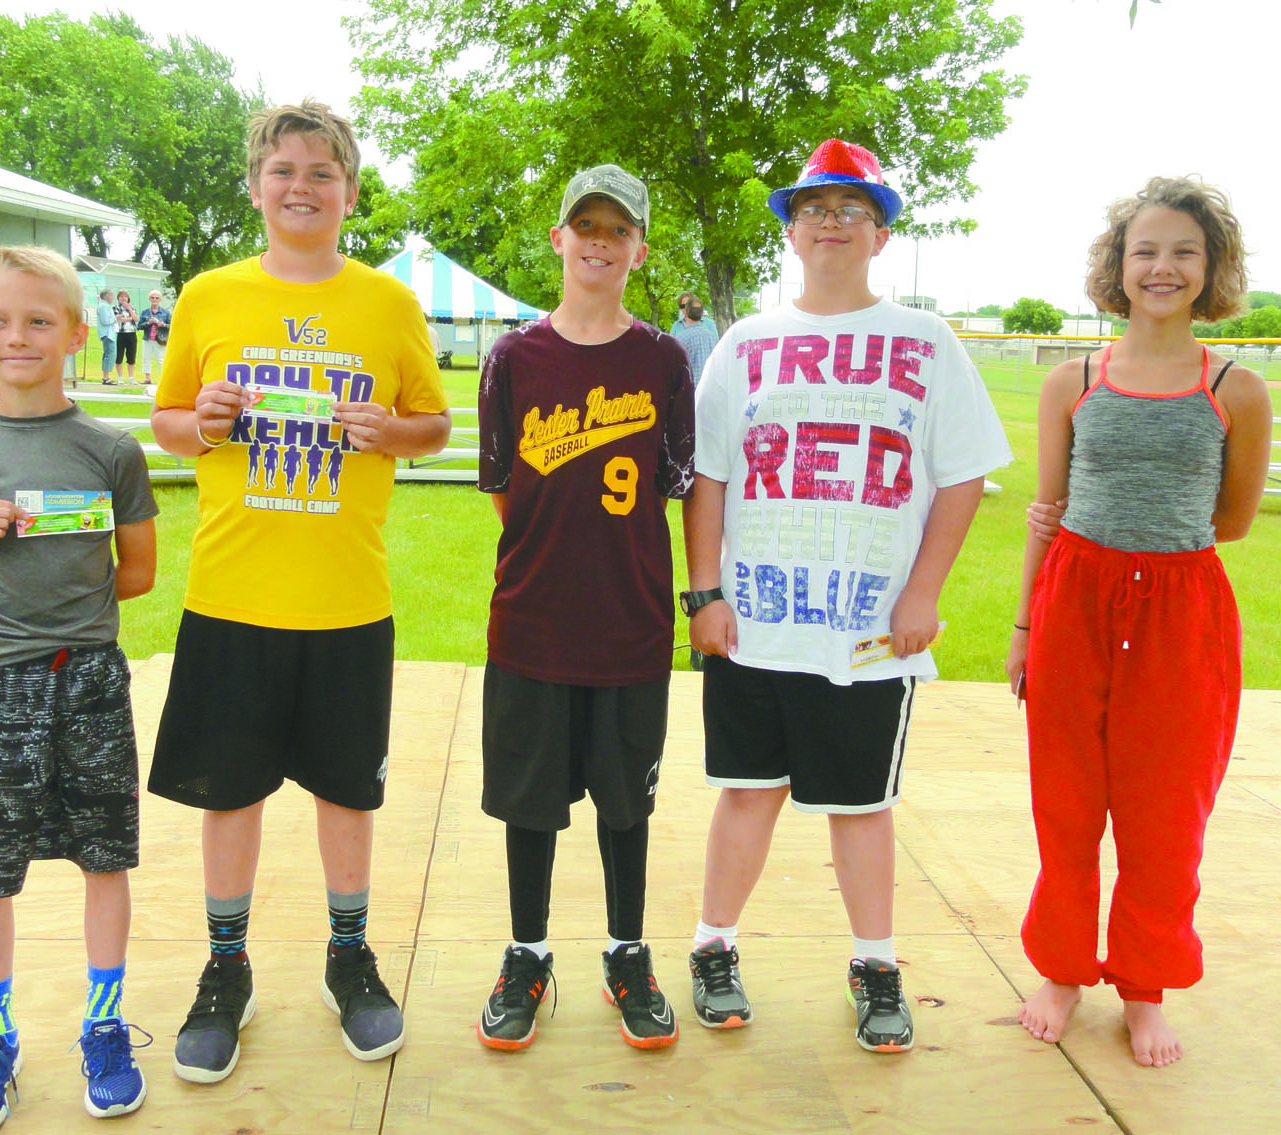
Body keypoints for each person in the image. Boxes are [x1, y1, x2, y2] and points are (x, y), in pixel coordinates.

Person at [147, 98, 450, 1083]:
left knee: (345, 790)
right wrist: (208, 419)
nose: (301, 187)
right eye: (283, 169)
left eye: (322, 172)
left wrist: (384, 430)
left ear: (349, 193)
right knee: (227, 794)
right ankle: (226, 968)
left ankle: (349, 955)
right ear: (255, 186)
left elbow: (432, 426)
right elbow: (168, 421)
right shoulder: (208, 296)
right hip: (233, 594)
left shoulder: (387, 304)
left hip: (344, 598)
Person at [684, 139, 1009, 1053]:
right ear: (790, 229)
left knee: (861, 804)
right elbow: (708, 477)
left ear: (881, 233)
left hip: (869, 629)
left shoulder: (925, 339)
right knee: (747, 793)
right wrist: (703, 592)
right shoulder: (746, 343)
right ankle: (714, 946)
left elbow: (958, 479)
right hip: (757, 620)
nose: (832, 222)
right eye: (815, 207)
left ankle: (875, 963)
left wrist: (923, 593)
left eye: (853, 209)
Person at [1005, 177, 1270, 1069]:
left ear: (1211, 267)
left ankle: (1146, 985)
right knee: (1068, 803)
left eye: (1183, 251)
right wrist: (1023, 630)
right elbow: (1049, 507)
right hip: (1075, 597)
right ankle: (1064, 969)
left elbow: (1230, 520)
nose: (1163, 266)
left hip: (1182, 609)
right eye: (1145, 250)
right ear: (1118, 266)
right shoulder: (1071, 378)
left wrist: (1156, 558)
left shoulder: (1236, 387)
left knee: (1165, 810)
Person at [0, 245, 159, 1133]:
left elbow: (136, 574)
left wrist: (71, 579)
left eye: (38, 320)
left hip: (90, 677)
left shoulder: (110, 448)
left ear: (75, 331)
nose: (18, 336)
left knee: (107, 853)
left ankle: (103, 1029)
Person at [474, 163, 694, 1052]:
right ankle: (528, 952)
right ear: (559, 239)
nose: (600, 241)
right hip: (533, 624)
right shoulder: (514, 360)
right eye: (585, 226)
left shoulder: (663, 360)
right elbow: (505, 489)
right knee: (530, 803)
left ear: (637, 249)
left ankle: (626, 950)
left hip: (631, 625)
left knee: (624, 805)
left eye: (618, 229)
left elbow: (678, 485)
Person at [668, 291, 720, 386]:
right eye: (681, 306)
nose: (683, 309)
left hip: (702, 380)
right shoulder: (676, 326)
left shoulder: (709, 324)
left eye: (686, 306)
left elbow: (716, 349)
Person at [137, 290, 171, 384]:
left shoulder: (165, 313)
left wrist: (163, 325)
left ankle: (163, 379)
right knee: (146, 358)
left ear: (160, 299)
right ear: (149, 299)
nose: (154, 299)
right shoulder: (145, 312)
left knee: (161, 359)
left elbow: (172, 326)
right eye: (152, 297)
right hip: (148, 339)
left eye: (156, 298)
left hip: (160, 339)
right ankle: (147, 378)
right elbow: (139, 326)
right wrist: (148, 323)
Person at [113, 290, 138, 383]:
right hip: (120, 333)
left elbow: (136, 318)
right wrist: (129, 318)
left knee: (131, 355)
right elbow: (119, 319)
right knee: (119, 355)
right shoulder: (115, 308)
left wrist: (129, 309)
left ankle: (131, 377)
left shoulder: (132, 308)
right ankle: (120, 377)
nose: (123, 298)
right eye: (121, 296)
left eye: (125, 296)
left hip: (131, 333)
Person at [96, 288, 118, 384]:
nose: (112, 297)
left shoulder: (105, 306)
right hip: (108, 334)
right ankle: (106, 377)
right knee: (110, 354)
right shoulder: (104, 306)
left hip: (109, 333)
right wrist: (115, 318)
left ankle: (106, 376)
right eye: (111, 295)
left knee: (108, 354)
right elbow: (105, 321)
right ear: (106, 296)